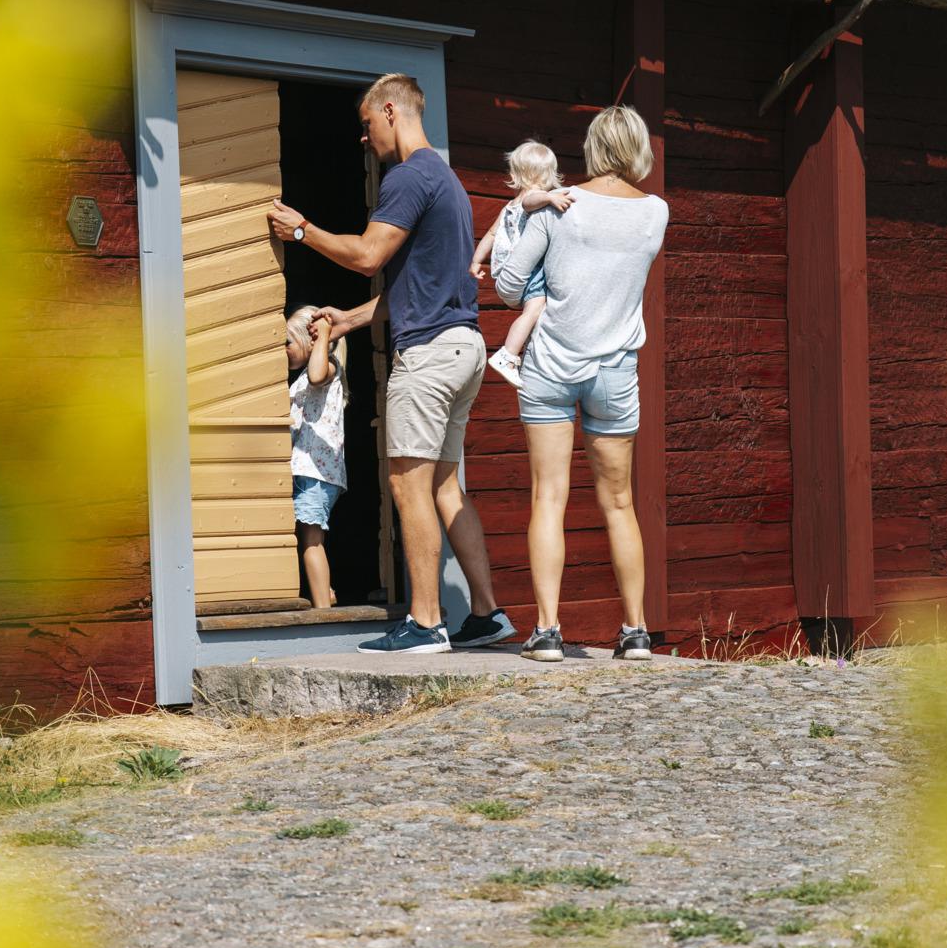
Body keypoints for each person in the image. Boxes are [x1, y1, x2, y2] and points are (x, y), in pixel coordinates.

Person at [267, 72, 514, 655]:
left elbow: (368, 254)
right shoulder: (447, 181)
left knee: (409, 487)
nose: (362, 138)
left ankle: (426, 622)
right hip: (464, 348)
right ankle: (486, 614)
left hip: (427, 357)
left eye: (364, 125)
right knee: (447, 486)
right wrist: (350, 320)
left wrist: (301, 230)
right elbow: (418, 283)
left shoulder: (407, 176)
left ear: (388, 111)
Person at [494, 105, 669, 663]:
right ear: (639, 149)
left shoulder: (557, 207)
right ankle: (636, 631)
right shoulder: (655, 213)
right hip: (615, 370)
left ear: (593, 148)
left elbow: (508, 286)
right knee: (619, 503)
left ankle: (546, 632)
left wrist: (518, 221)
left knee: (549, 497)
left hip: (548, 366)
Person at [470, 140, 573, 389]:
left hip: (504, 274)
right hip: (523, 273)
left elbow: (492, 234)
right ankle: (508, 354)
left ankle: (520, 349)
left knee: (533, 310)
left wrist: (475, 260)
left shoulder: (508, 206)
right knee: (536, 308)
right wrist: (549, 197)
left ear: (515, 174)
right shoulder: (532, 198)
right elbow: (531, 200)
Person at [284, 305, 346, 609]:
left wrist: (323, 337)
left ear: (310, 343)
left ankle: (322, 610)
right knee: (308, 537)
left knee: (311, 540)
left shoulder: (329, 368)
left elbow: (317, 373)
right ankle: (326, 592)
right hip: (307, 470)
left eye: (288, 342)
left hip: (318, 472)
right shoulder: (300, 380)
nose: (283, 349)